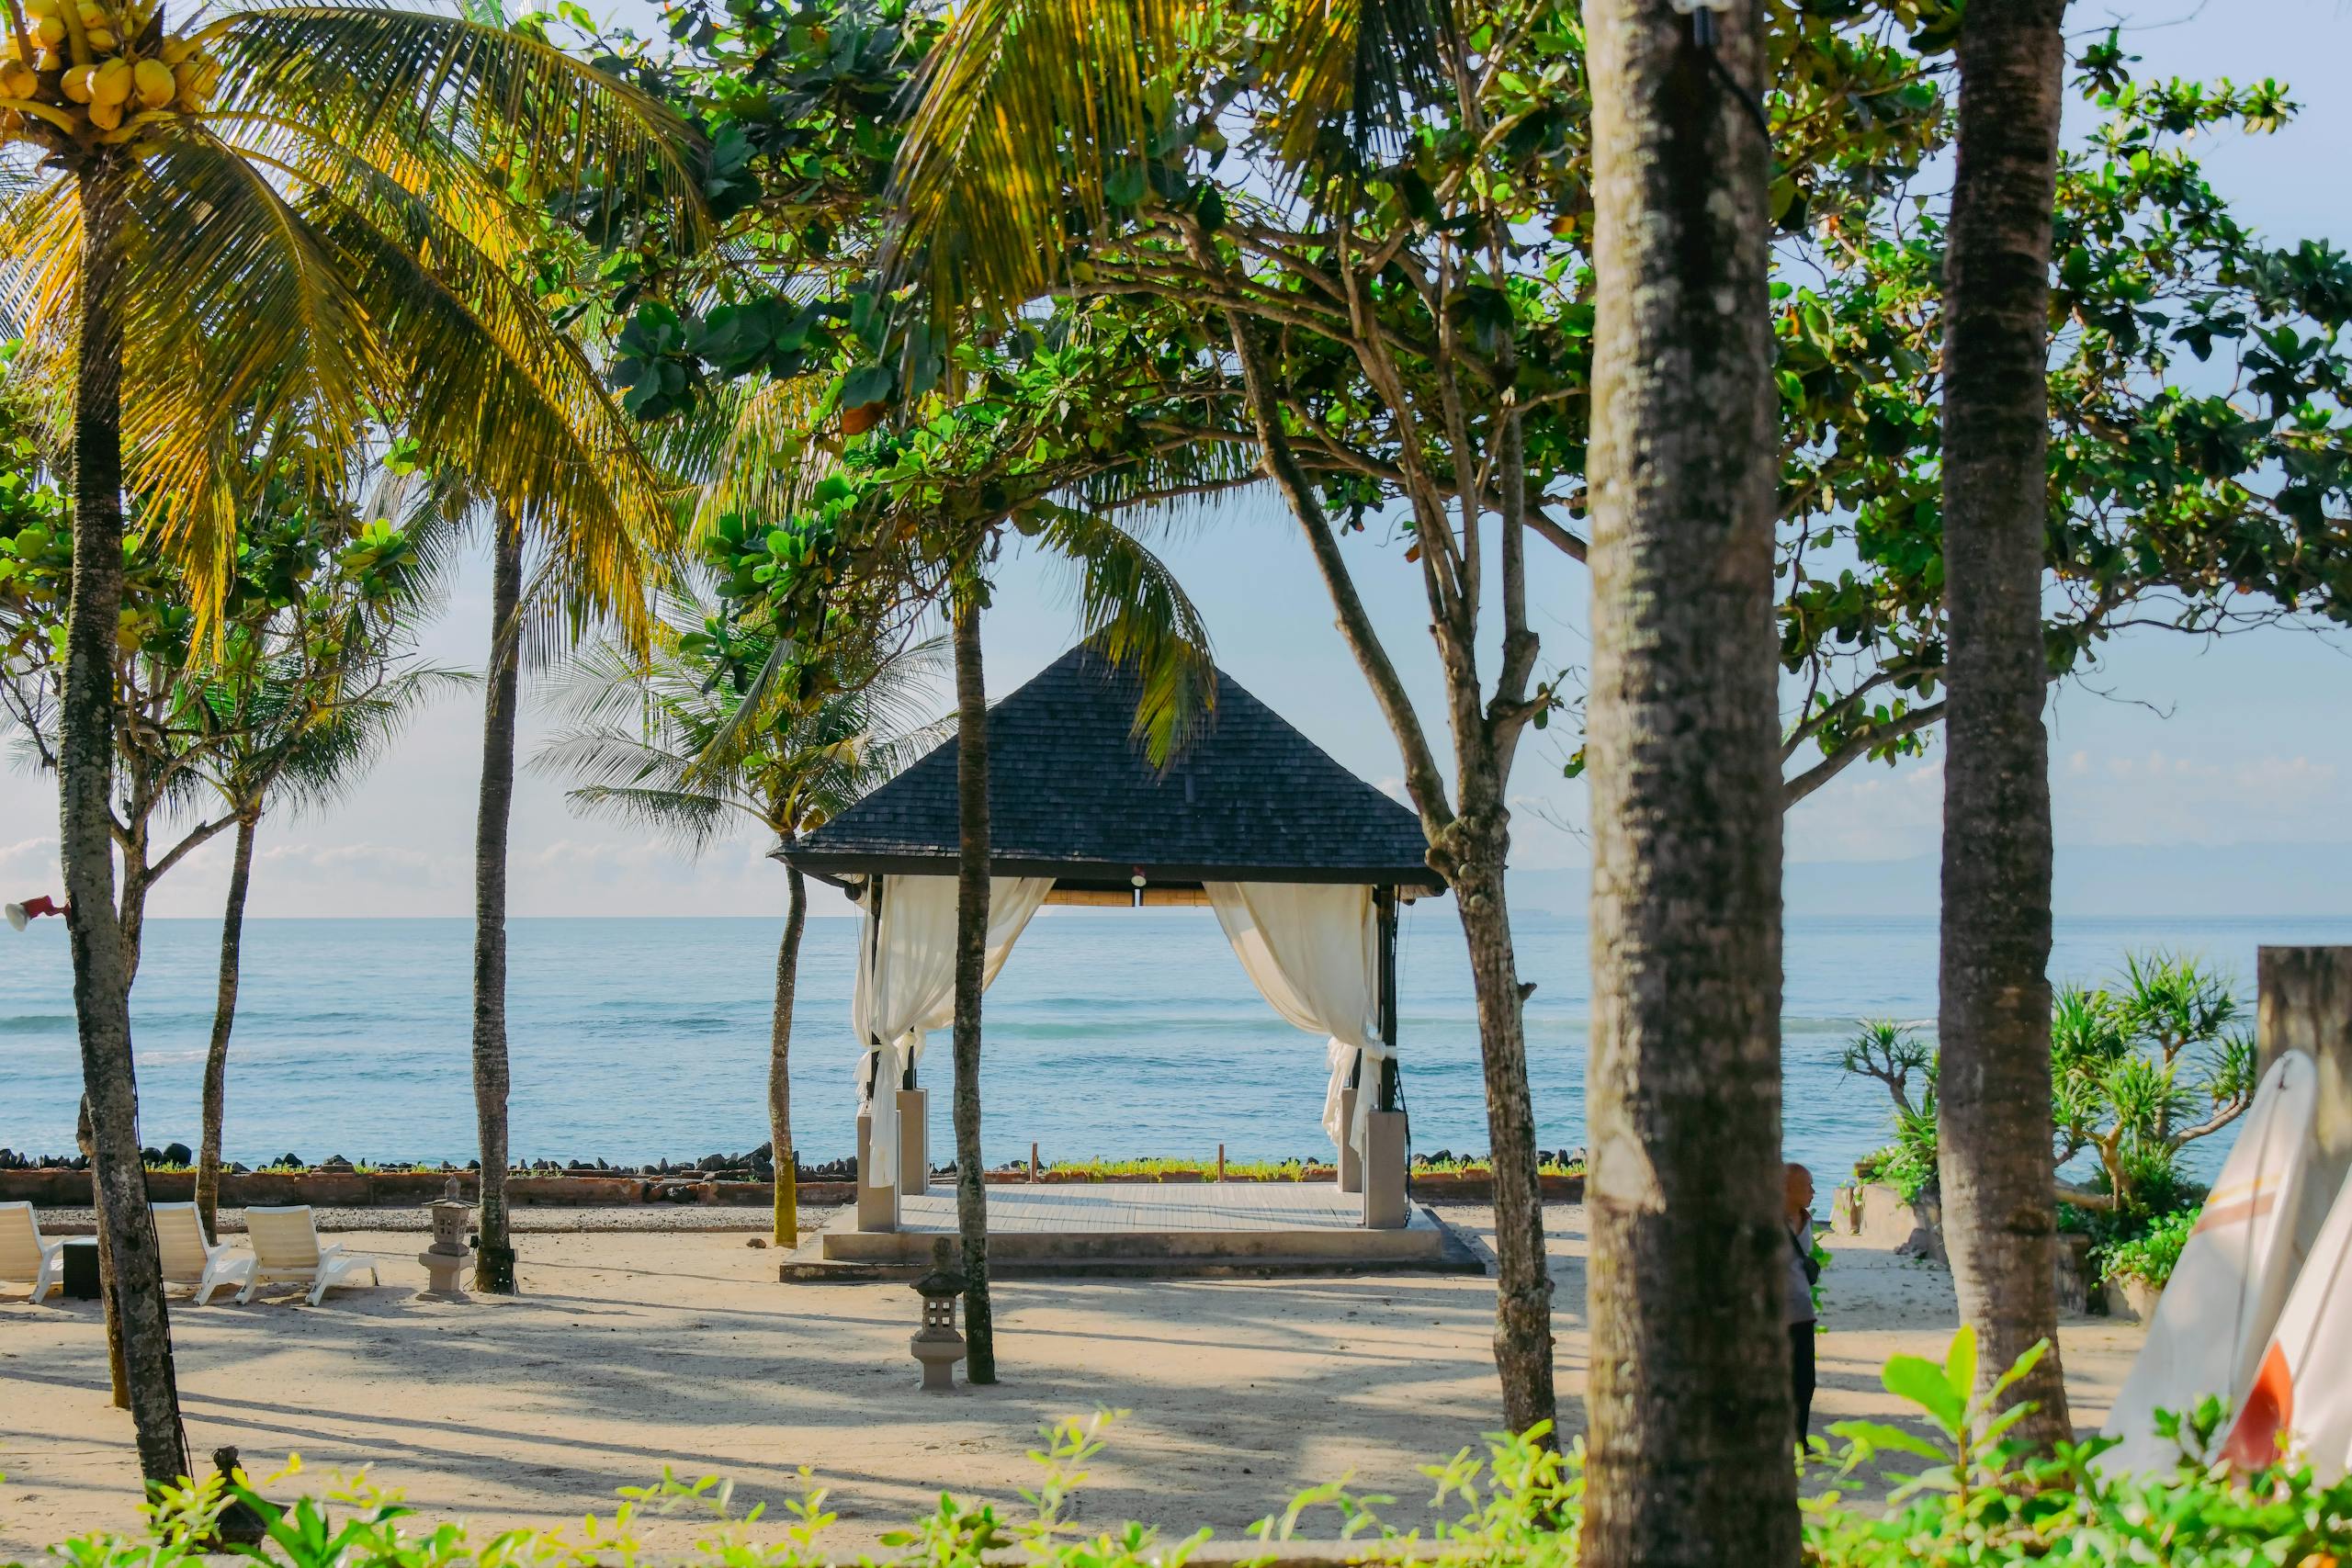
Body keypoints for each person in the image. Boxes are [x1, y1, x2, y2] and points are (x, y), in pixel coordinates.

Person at [1786, 1161, 1819, 1442]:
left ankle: (1801, 1439)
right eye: (1807, 1186)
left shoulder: (1806, 1219)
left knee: (1806, 1380)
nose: (1812, 1192)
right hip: (1777, 1312)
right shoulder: (1769, 1222)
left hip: (1803, 1310)